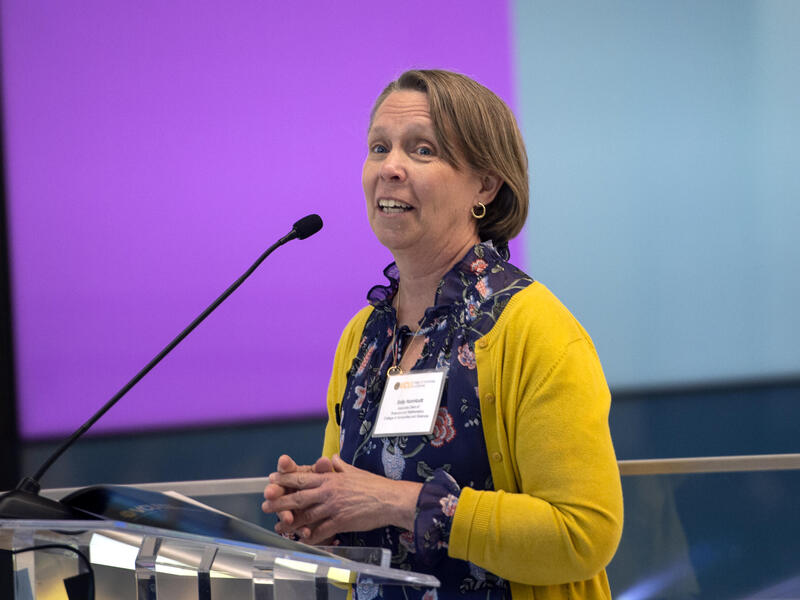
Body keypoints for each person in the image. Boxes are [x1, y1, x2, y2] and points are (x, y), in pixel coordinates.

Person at [262, 69, 623, 599]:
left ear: (485, 184)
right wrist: (319, 511)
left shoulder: (534, 330)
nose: (390, 168)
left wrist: (397, 501)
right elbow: (359, 507)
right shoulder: (362, 338)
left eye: (422, 150)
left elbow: (581, 534)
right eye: (379, 147)